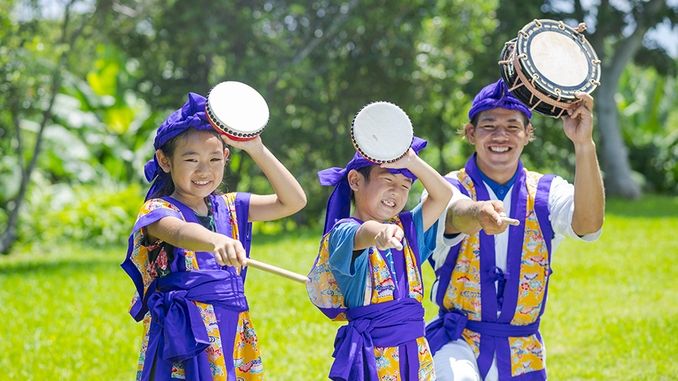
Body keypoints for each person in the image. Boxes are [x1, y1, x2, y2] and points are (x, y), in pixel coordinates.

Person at [424, 78, 605, 381]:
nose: (500, 135)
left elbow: (588, 225)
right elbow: (455, 215)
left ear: (527, 134)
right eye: (488, 125)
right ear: (471, 133)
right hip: (456, 341)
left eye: (512, 126)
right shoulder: (447, 187)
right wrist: (478, 213)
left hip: (523, 349)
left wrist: (583, 143)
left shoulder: (547, 191)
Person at [121, 92, 306, 381]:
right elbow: (180, 232)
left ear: (226, 158)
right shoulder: (158, 209)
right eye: (191, 159)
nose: (204, 170)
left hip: (232, 329)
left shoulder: (231, 207)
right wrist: (215, 240)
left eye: (214, 158)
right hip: (186, 333)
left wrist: (257, 149)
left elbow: (293, 201)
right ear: (165, 161)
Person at [306, 135, 457, 381]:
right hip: (373, 361)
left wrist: (412, 162)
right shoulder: (343, 233)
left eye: (405, 185)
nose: (396, 192)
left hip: (418, 359)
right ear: (355, 180)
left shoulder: (407, 230)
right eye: (387, 179)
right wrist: (380, 232)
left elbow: (442, 195)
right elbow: (364, 233)